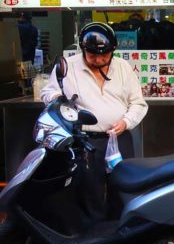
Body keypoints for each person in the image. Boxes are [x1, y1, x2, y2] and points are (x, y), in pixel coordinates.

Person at [41, 22, 148, 222]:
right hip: (85, 142)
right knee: (89, 191)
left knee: (123, 189)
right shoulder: (67, 66)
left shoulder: (123, 67)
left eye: (104, 56)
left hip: (119, 139)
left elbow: (138, 104)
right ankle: (92, 238)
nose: (98, 60)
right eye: (92, 56)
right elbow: (47, 92)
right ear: (83, 50)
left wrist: (126, 122)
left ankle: (120, 235)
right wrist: (57, 98)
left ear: (113, 51)